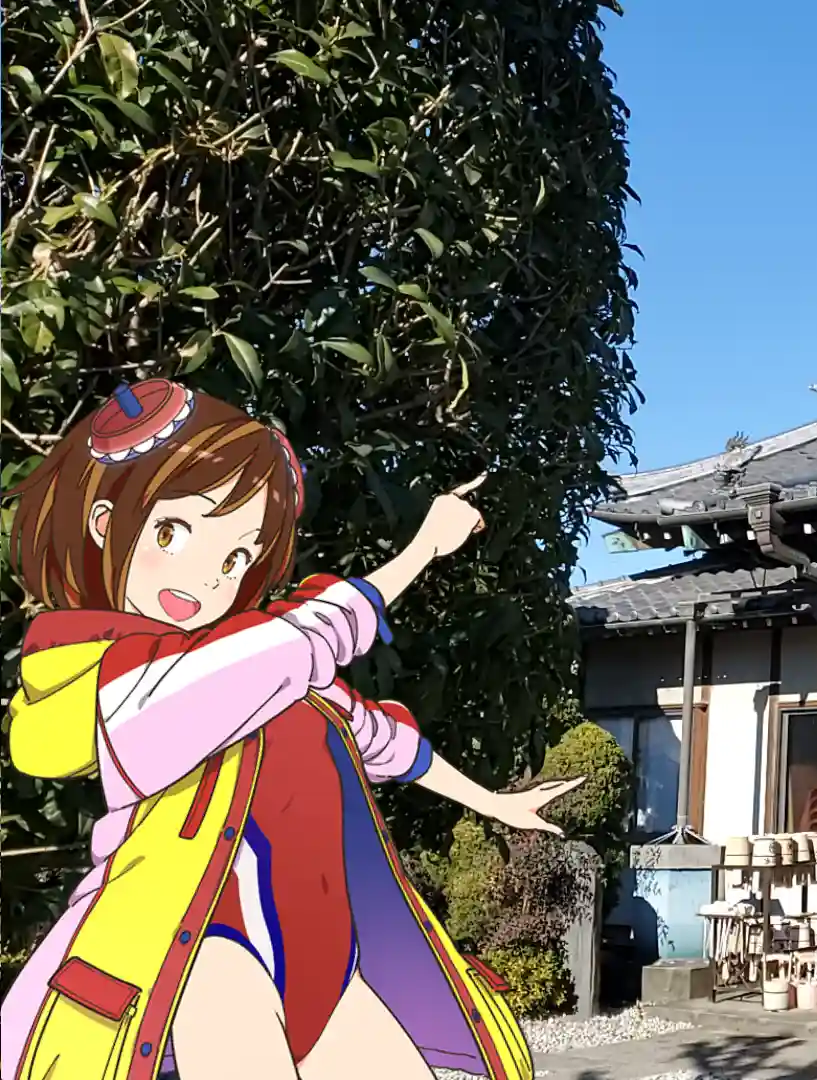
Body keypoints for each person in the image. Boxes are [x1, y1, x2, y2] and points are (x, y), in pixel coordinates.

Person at [1, 380, 572, 1080]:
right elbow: (294, 643)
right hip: (197, 940)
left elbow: (378, 739)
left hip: (314, 949)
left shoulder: (265, 666)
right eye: (174, 533)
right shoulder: (125, 682)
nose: (205, 579)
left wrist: (495, 802)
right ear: (103, 524)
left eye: (235, 558)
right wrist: (421, 549)